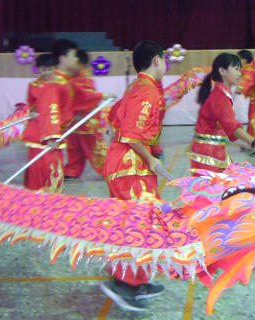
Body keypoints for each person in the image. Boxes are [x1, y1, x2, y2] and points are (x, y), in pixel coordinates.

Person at [99, 40, 168, 312]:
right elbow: (129, 131)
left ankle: (138, 281)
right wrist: (149, 157)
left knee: (141, 220)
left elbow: (114, 118)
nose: (165, 65)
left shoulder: (135, 88)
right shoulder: (148, 90)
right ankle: (123, 284)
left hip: (126, 162)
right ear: (156, 60)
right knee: (137, 223)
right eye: (164, 60)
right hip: (130, 165)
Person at [188, 53, 255, 174]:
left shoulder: (221, 92)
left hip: (210, 149)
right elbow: (233, 128)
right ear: (222, 71)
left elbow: (229, 125)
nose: (240, 73)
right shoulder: (220, 96)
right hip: (207, 152)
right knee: (210, 189)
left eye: (240, 69)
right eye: (236, 69)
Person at [21, 53, 70, 192]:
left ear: (54, 68)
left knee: (52, 163)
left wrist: (55, 133)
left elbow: (66, 107)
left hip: (54, 128)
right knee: (36, 164)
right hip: (37, 130)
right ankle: (34, 194)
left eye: (50, 69)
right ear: (38, 69)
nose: (47, 73)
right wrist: (32, 112)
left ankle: (51, 197)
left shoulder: (59, 85)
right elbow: (31, 103)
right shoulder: (33, 85)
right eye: (44, 70)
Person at [64, 49, 113, 179]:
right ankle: (72, 170)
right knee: (74, 148)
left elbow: (86, 96)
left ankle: (110, 170)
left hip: (87, 120)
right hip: (75, 119)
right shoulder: (72, 77)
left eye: (73, 61)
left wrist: (102, 96)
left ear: (81, 63)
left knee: (95, 149)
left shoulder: (85, 79)